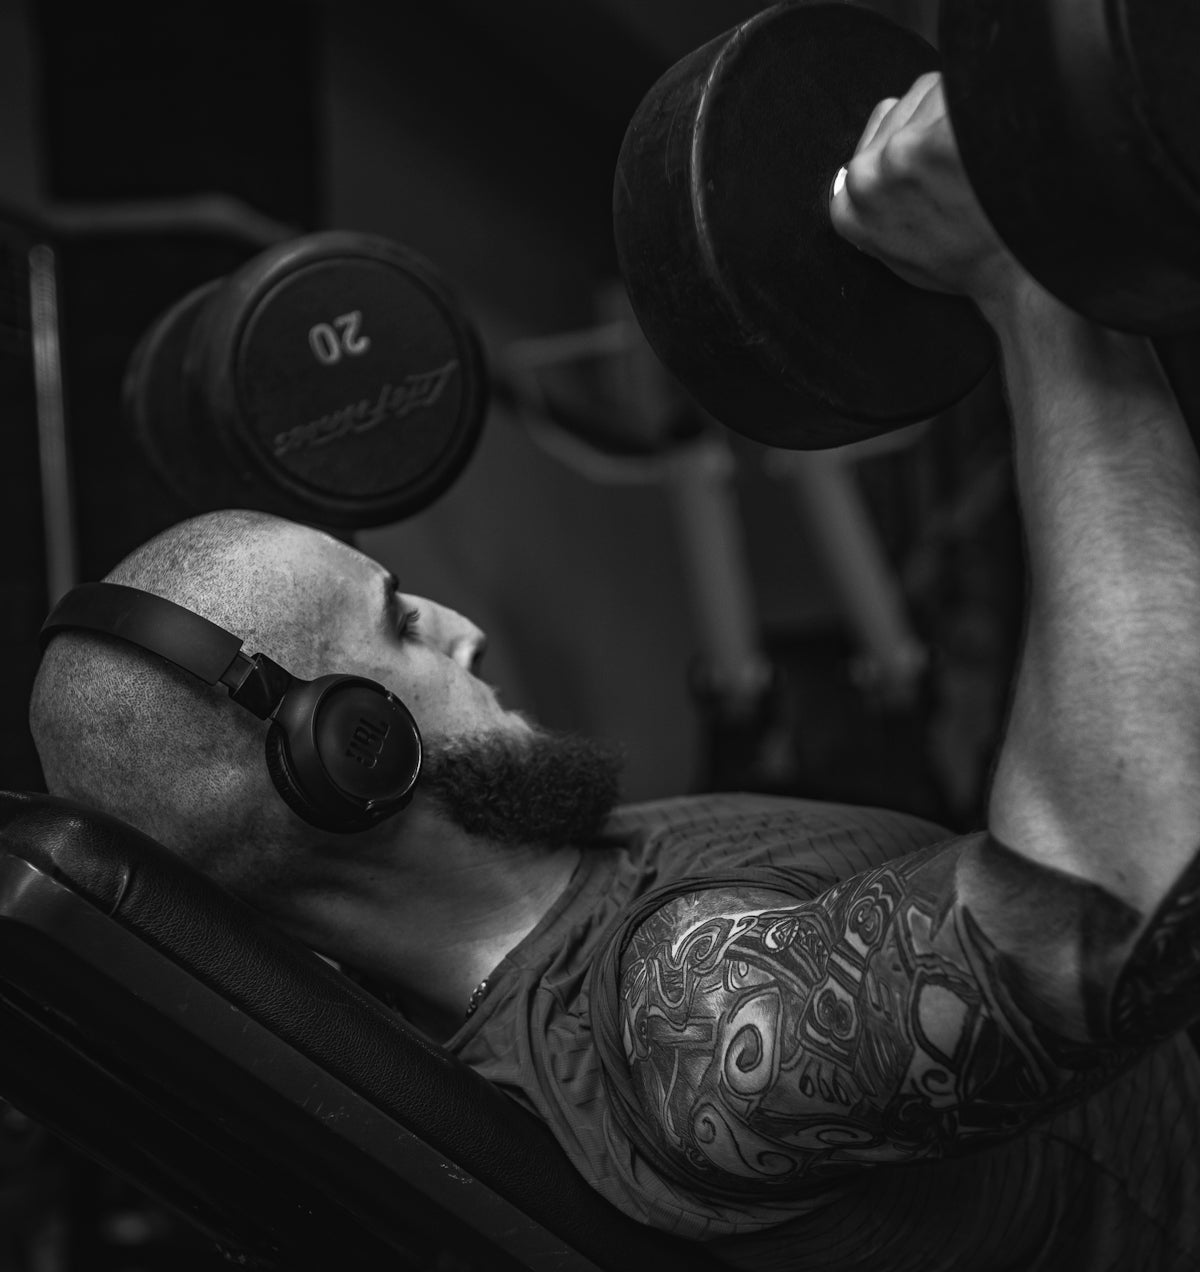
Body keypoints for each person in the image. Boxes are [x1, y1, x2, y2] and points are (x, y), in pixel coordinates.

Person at [30, 73, 1200, 1270]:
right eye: (402, 623)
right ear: (344, 752)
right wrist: (1039, 285)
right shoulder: (664, 1023)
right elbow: (1120, 895)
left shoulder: (565, 902)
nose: (466, 629)